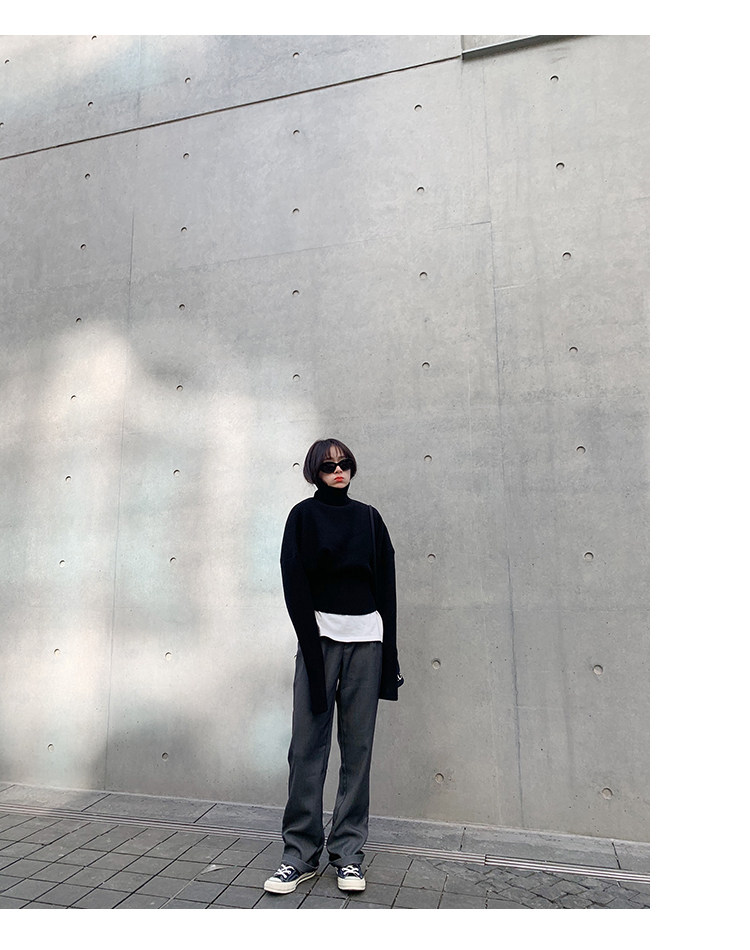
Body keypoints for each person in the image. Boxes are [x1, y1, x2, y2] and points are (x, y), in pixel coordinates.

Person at [264, 438, 400, 895]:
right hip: (319, 641)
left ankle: (348, 855)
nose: (338, 471)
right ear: (314, 472)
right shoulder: (303, 516)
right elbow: (294, 581)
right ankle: (299, 855)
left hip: (367, 644)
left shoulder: (369, 519)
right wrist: (309, 645)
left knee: (357, 751)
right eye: (327, 466)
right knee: (306, 748)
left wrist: (390, 658)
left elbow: (386, 589)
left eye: (344, 464)